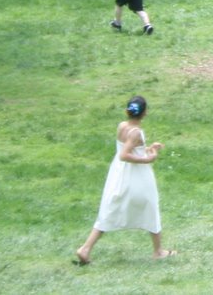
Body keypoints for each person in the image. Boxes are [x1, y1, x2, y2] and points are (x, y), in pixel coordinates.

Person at [73, 96, 175, 264]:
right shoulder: (136, 132)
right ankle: (158, 251)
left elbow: (132, 149)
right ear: (145, 113)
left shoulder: (122, 126)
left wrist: (148, 149)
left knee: (110, 209)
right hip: (136, 176)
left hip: (119, 174)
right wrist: (148, 159)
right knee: (151, 205)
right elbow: (125, 154)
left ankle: (85, 248)